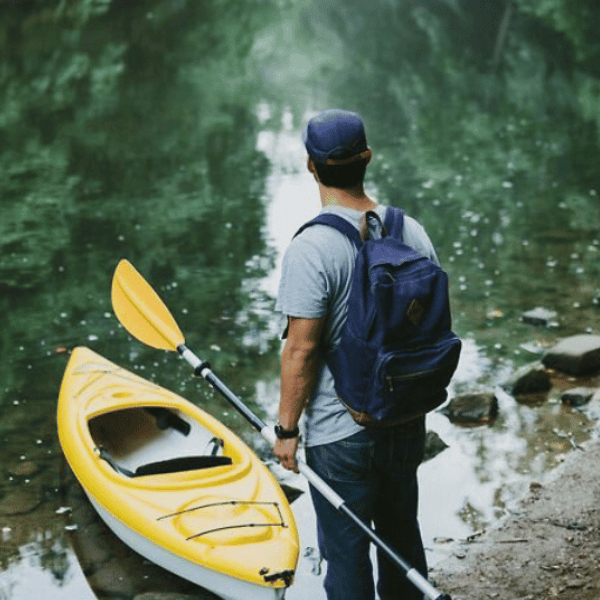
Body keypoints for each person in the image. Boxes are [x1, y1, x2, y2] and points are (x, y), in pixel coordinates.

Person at [273, 109, 439, 600]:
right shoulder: (412, 232)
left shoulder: (312, 248)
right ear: (367, 158)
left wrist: (286, 430)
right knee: (401, 541)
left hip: (341, 432)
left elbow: (300, 350)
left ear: (311, 165)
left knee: (346, 553)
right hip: (405, 418)